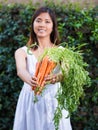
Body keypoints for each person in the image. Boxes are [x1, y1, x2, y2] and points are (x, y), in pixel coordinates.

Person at [13, 6, 72, 130]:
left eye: (47, 21)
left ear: (52, 27)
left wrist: (56, 77)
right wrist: (30, 79)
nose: (42, 24)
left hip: (54, 100)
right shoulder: (22, 51)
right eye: (38, 20)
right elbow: (21, 70)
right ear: (33, 24)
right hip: (30, 100)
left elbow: (65, 71)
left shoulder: (62, 52)